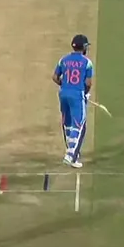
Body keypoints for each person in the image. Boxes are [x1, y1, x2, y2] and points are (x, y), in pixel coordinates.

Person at [54, 34, 94, 168]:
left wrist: (65, 85)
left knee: (68, 123)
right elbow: (88, 83)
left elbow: (55, 77)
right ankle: (71, 155)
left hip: (63, 94)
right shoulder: (87, 62)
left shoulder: (63, 60)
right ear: (84, 47)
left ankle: (72, 154)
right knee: (79, 124)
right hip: (77, 95)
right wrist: (85, 94)